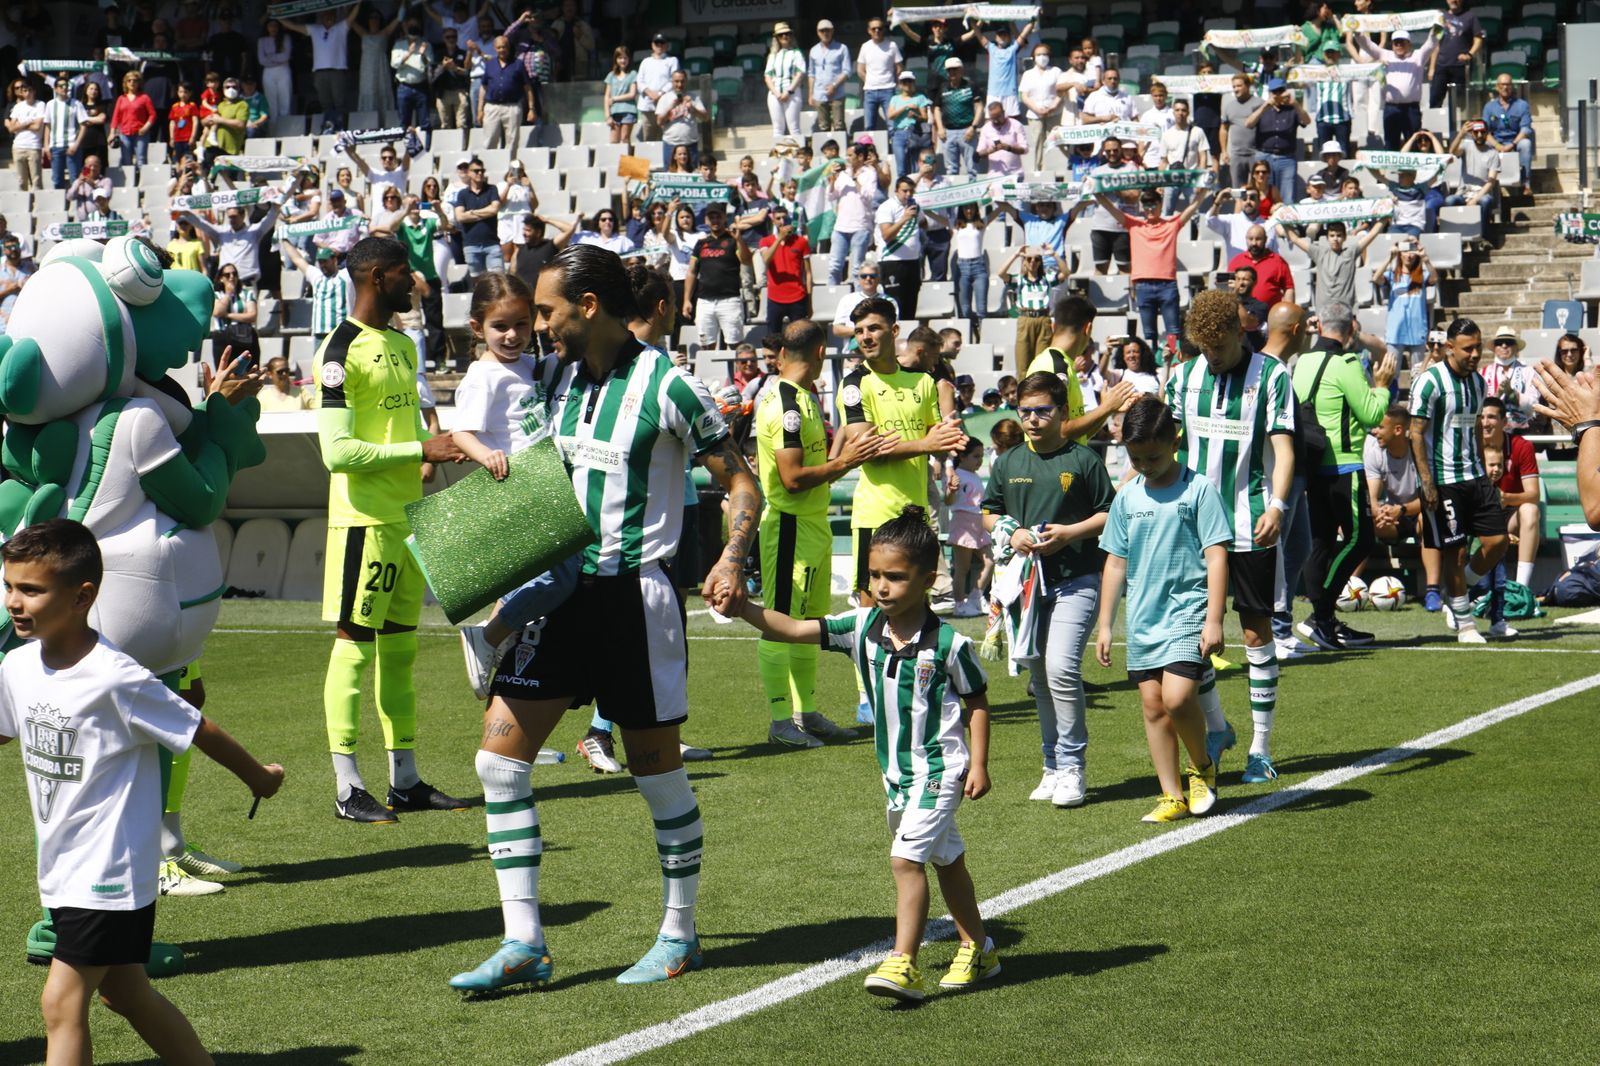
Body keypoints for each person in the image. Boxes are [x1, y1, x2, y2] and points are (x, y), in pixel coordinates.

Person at [446, 243, 761, 990]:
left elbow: (741, 483)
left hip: (635, 602)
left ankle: (679, 935)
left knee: (657, 776)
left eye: (549, 312)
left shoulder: (670, 388)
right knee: (498, 763)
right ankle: (524, 942)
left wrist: (729, 558)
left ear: (589, 308)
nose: (539, 327)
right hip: (558, 596)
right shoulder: (554, 377)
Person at [0, 519, 285, 1066]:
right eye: (10, 585)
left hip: (108, 868)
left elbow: (197, 728)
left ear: (83, 596)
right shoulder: (18, 666)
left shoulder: (115, 677)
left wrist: (259, 778)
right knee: (125, 991)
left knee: (61, 1005)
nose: (14, 600)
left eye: (31, 589)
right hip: (61, 866)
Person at [736, 506, 999, 1001]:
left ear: (927, 580)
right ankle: (980, 947)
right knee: (947, 860)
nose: (881, 586)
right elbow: (792, 630)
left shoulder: (948, 646)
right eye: (874, 574)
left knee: (905, 861)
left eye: (895, 577)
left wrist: (979, 763)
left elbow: (977, 702)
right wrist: (743, 608)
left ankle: (904, 963)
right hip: (895, 775)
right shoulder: (862, 627)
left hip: (940, 771)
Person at [317, 237, 467, 824]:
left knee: (400, 652)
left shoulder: (402, 343)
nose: (416, 282)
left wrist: (425, 459)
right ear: (378, 277)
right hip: (365, 523)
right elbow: (336, 451)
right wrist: (418, 448)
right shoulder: (340, 349)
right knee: (354, 650)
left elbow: (400, 437)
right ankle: (347, 784)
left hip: (409, 518)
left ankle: (404, 779)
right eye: (407, 273)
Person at [1166, 288, 1296, 784]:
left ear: (1239, 333)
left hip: (1251, 520)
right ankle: (1218, 728)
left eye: (1218, 346)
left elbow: (1283, 451)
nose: (1211, 356)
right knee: (1191, 639)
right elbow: (1169, 449)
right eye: (1203, 347)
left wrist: (1280, 505)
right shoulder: (1182, 377)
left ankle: (1261, 748)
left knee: (1253, 634)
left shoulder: (1272, 375)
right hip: (1194, 527)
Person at [982, 370, 1116, 806]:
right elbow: (988, 513)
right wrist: (1011, 531)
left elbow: (1108, 513)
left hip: (1077, 579)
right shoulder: (1008, 461)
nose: (1034, 419)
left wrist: (1070, 532)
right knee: (1039, 677)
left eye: (1043, 411)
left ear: (1062, 412)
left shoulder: (1084, 460)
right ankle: (1051, 766)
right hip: (1027, 584)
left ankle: (1073, 766)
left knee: (1060, 668)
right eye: (1026, 411)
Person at [1095, 397, 1228, 823]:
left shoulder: (1198, 489)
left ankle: (1201, 766)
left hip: (1188, 610)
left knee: (1178, 696)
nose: (1145, 465)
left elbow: (1217, 556)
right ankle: (1171, 794)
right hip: (1143, 618)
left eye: (1152, 456)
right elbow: (1115, 562)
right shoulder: (1127, 497)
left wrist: (1215, 618)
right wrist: (1104, 625)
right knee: (1153, 706)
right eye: (1136, 457)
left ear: (1175, 441)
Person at [754, 319, 883, 748]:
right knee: (779, 622)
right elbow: (791, 478)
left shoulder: (804, 398)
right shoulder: (785, 405)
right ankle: (777, 721)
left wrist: (839, 458)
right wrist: (846, 462)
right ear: (821, 352)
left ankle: (805, 713)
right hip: (789, 526)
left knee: (808, 624)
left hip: (811, 525)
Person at [834, 295, 968, 631]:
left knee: (917, 609)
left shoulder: (921, 381)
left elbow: (934, 435)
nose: (865, 336)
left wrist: (949, 444)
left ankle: (910, 684)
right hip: (875, 513)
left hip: (917, 510)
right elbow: (867, 449)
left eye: (874, 328)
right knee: (870, 610)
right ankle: (867, 686)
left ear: (894, 331)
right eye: (860, 331)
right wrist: (926, 443)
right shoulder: (853, 384)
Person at [1291, 303, 1396, 651]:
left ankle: (1324, 621)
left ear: (1319, 325)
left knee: (1320, 542)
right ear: (1351, 327)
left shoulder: (1302, 360)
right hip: (1344, 467)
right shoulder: (1347, 364)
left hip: (1312, 465)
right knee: (1361, 541)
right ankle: (1320, 616)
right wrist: (1382, 386)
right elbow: (1370, 415)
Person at [1408, 317, 1509, 643]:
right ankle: (1465, 624)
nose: (1476, 354)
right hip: (1443, 479)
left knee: (1498, 542)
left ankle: (1459, 588)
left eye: (1479, 347)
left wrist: (1486, 461)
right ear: (1450, 347)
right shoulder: (1430, 381)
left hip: (1475, 475)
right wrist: (1427, 483)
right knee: (1456, 551)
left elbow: (1477, 427)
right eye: (1468, 348)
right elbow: (1416, 433)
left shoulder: (1479, 384)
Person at [1092, 187, 1212, 347]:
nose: (1149, 209)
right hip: (1143, 286)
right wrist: (1095, 192)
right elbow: (1110, 208)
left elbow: (1192, 207)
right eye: (1146, 205)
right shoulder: (1134, 224)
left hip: (1167, 285)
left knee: (1173, 331)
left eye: (1153, 205)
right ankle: (1152, 364)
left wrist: (1203, 191)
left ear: (1161, 205)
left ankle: (1173, 360)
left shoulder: (1172, 225)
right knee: (1149, 334)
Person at [1026, 291, 1137, 439]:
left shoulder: (1062, 364)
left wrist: (1107, 410)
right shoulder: (1056, 366)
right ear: (1088, 328)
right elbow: (1061, 431)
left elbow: (1077, 436)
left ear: (1053, 326)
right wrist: (1106, 407)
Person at [1480, 395, 1541, 595]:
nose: (1485, 423)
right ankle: (1458, 589)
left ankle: (1521, 588)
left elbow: (1533, 494)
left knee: (1530, 510)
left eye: (1491, 417)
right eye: (1481, 417)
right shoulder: (1468, 448)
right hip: (1479, 517)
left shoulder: (1521, 446)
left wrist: (1505, 498)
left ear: (1504, 422)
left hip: (1510, 515)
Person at [1276, 218, 1386, 317]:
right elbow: (1295, 239)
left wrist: (1386, 217)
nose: (1335, 239)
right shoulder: (1319, 252)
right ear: (1327, 237)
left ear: (1344, 237)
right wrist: (1283, 219)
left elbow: (1373, 233)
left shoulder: (1351, 252)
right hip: (1325, 311)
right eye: (1332, 235)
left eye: (1339, 235)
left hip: (1347, 310)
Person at [1351, 27, 1435, 151]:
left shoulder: (1418, 56)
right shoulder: (1385, 55)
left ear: (1409, 43)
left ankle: (1412, 171)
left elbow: (1431, 43)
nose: (1399, 45)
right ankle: (1393, 171)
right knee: (1391, 144)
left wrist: (1437, 27)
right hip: (1391, 108)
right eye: (1396, 42)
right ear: (1392, 44)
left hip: (1411, 109)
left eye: (1402, 42)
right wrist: (1357, 33)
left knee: (1413, 143)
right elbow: (1367, 45)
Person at [684, 201, 749, 350]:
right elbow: (692, 271)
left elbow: (746, 261)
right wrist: (687, 300)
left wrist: (739, 239)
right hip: (704, 302)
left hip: (729, 301)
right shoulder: (701, 244)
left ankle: (735, 374)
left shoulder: (733, 240)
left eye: (718, 216)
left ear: (724, 217)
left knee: (735, 346)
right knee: (707, 346)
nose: (715, 220)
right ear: (706, 220)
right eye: (711, 217)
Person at [179, 198, 282, 288]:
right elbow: (201, 224)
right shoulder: (222, 232)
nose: (232, 220)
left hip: (247, 283)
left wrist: (276, 204)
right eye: (229, 217)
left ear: (242, 215)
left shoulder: (254, 231)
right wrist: (186, 213)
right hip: (226, 283)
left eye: (234, 216)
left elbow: (271, 217)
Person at [282, 6, 354, 131]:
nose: (329, 18)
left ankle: (341, 128)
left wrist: (358, 4)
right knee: (325, 103)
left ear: (335, 17)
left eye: (331, 15)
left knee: (339, 102)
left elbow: (352, 17)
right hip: (319, 72)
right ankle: (329, 127)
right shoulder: (315, 29)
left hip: (337, 71)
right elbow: (292, 26)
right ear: (321, 18)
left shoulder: (341, 27)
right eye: (326, 15)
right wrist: (277, 16)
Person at [1247, 77, 1310, 207]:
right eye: (1275, 92)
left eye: (1281, 91)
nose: (1278, 95)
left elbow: (1307, 121)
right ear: (1270, 93)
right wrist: (1266, 105)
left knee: (1287, 196)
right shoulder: (1261, 109)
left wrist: (1295, 103)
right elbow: (1248, 123)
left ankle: (1287, 225)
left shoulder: (1292, 110)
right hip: (1264, 156)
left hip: (1286, 158)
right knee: (1263, 193)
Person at [999, 245, 1056, 368]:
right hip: (1025, 318)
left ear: (1040, 262)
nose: (1032, 262)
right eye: (1029, 259)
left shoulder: (1046, 279)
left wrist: (1054, 254)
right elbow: (1001, 273)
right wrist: (1015, 255)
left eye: (1036, 259)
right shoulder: (1019, 279)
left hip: (1043, 318)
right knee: (1023, 361)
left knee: (1042, 362)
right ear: (1024, 262)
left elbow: (1066, 273)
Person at [875, 176, 924, 318]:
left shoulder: (914, 206)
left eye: (911, 191)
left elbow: (923, 222)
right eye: (904, 191)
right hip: (892, 261)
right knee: (896, 306)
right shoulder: (887, 207)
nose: (908, 194)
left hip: (913, 261)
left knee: (911, 307)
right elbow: (887, 235)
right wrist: (904, 218)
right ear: (896, 191)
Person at [758, 204, 811, 334]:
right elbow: (766, 259)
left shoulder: (801, 242)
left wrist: (809, 301)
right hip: (775, 298)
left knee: (799, 338)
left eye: (784, 218)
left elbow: (808, 273)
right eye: (778, 218)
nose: (782, 221)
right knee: (773, 338)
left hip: (798, 297)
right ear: (773, 221)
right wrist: (779, 239)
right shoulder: (766, 241)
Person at [1379, 240, 1433, 366]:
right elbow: (1376, 278)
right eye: (1405, 251)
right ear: (1400, 253)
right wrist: (1389, 257)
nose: (1408, 255)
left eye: (1412, 251)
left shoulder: (1423, 275)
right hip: (1395, 331)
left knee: (1418, 373)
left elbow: (1434, 278)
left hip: (1417, 330)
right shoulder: (1392, 275)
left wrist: (1426, 259)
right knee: (1392, 372)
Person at [477, 36, 534, 149]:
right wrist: (480, 109)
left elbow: (527, 87)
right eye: (499, 47)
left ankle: (511, 165)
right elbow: (483, 87)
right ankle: (490, 165)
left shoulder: (518, 64)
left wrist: (531, 109)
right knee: (489, 140)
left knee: (512, 141)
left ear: (508, 47)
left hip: (512, 106)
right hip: (492, 107)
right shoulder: (490, 64)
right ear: (494, 48)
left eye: (504, 47)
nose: (502, 50)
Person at [1484, 73, 1534, 198]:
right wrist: (1497, 145)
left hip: (1515, 141)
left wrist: (1512, 144)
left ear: (1512, 87)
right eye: (1502, 84)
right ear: (1497, 87)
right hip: (1496, 142)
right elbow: (1484, 131)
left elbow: (1525, 129)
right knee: (1481, 143)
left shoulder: (1522, 105)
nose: (1505, 87)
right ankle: (1485, 183)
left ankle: (1526, 184)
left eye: (1508, 84)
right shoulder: (1489, 107)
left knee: (1526, 144)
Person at [932, 58, 983, 179]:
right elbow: (937, 109)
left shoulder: (970, 85)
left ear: (961, 70)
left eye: (955, 70)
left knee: (972, 168)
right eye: (949, 70)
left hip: (967, 131)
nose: (952, 73)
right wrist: (939, 127)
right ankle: (953, 197)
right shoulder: (943, 87)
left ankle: (974, 196)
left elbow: (979, 107)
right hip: (947, 133)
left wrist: (973, 127)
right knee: (951, 170)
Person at [1446, 119, 1502, 227]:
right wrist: (1461, 134)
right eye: (1476, 132)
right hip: (1463, 193)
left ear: (1487, 133)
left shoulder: (1493, 154)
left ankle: (1484, 237)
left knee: (1486, 201)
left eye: (1482, 132)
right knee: (1449, 200)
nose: (1479, 135)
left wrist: (1475, 199)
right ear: (1472, 133)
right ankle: (1456, 236)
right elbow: (1452, 151)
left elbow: (1491, 182)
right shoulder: (1466, 146)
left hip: (1482, 194)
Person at [1482, 324, 1537, 432]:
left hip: (1521, 432)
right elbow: (1479, 406)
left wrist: (1513, 395)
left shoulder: (1528, 371)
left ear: (1516, 347)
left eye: (1509, 342)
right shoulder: (1483, 373)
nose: (1504, 345)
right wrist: (1497, 395)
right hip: (1491, 431)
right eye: (1499, 343)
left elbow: (1534, 405)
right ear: (1494, 347)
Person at [1018, 41, 1063, 170]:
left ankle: (1053, 169)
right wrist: (1037, 109)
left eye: (1045, 54)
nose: (1042, 57)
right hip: (1034, 114)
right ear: (1033, 57)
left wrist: (1053, 106)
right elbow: (1024, 96)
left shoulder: (1056, 71)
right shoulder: (1028, 74)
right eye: (1038, 54)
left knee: (1054, 141)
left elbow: (1061, 92)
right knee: (1037, 142)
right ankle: (1037, 170)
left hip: (1053, 113)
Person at [1431, 0, 1484, 109]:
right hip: (1441, 66)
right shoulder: (1441, 17)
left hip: (1460, 67)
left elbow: (1478, 39)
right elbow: (1436, 43)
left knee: (1459, 103)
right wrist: (1432, 67)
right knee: (1434, 100)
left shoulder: (1470, 17)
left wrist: (1469, 55)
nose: (1453, 1)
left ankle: (1458, 125)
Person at [454, 157, 503, 275]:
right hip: (471, 245)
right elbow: (460, 217)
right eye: (476, 171)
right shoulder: (462, 194)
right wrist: (485, 213)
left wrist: (471, 213)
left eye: (482, 170)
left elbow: (494, 209)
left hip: (492, 244)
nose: (480, 173)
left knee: (498, 279)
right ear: (469, 173)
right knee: (478, 284)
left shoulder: (491, 189)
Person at [1227, 225, 1295, 307]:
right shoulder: (1236, 261)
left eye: (1258, 239)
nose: (1254, 243)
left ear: (1265, 240)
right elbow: (1229, 288)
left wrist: (1288, 311)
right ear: (1246, 239)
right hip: (1243, 315)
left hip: (1270, 316)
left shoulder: (1278, 262)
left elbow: (1288, 288)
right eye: (1250, 239)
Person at [655, 69, 707, 171]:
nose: (679, 84)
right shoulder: (665, 98)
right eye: (676, 81)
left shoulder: (693, 97)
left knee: (692, 176)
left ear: (686, 81)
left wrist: (693, 109)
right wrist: (671, 107)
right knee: (670, 176)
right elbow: (659, 121)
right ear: (672, 82)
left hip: (690, 144)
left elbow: (705, 117)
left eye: (682, 81)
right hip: (671, 144)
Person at [857, 17, 903, 131]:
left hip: (888, 90)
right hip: (870, 91)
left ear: (884, 30)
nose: (877, 31)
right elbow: (860, 69)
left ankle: (892, 148)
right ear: (869, 31)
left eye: (880, 28)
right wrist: (869, 80)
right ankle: (869, 148)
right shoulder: (865, 46)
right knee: (868, 126)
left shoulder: (892, 45)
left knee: (892, 125)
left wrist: (895, 82)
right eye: (874, 29)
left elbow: (899, 67)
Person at [1219, 73, 1264, 190]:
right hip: (1236, 155)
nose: (1236, 89)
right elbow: (1223, 129)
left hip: (1256, 153)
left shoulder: (1260, 103)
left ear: (1248, 86)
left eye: (1239, 86)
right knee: (1238, 190)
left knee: (1258, 189)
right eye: (1234, 87)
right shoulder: (1229, 106)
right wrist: (1224, 151)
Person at [391, 17, 434, 135]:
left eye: (416, 25)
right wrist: (409, 53)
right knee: (404, 123)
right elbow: (394, 64)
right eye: (411, 25)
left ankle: (425, 149)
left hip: (421, 87)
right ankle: (406, 150)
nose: (413, 28)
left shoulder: (426, 44)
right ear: (406, 27)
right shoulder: (399, 44)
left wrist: (423, 54)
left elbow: (429, 65)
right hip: (404, 87)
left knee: (424, 123)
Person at [887, 72, 932, 179]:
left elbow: (925, 117)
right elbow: (890, 116)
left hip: (915, 133)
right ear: (900, 84)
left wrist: (915, 115)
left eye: (909, 81)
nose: (907, 84)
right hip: (899, 134)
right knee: (901, 169)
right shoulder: (895, 98)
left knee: (916, 168)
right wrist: (905, 107)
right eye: (904, 81)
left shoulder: (920, 97)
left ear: (913, 82)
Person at [764, 22, 805, 139]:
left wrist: (788, 91)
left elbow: (800, 74)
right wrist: (777, 93)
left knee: (794, 128)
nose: (784, 37)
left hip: (792, 93)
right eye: (781, 35)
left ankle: (799, 156)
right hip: (774, 94)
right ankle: (779, 155)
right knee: (777, 129)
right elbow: (767, 76)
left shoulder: (796, 53)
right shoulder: (773, 55)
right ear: (776, 38)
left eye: (787, 34)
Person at [636, 32, 678, 142]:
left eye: (662, 43)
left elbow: (673, 80)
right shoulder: (645, 62)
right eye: (657, 43)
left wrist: (660, 94)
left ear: (667, 45)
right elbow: (639, 81)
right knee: (648, 137)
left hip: (665, 104)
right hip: (647, 105)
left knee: (665, 135)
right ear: (652, 45)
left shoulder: (672, 60)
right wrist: (650, 93)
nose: (659, 45)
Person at [975, 99, 1026, 178]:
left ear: (1003, 113)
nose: (995, 121)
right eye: (993, 118)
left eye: (998, 117)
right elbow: (978, 155)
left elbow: (1024, 150)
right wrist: (990, 151)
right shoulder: (986, 128)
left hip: (1015, 175)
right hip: (994, 176)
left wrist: (1009, 148)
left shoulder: (1016, 125)